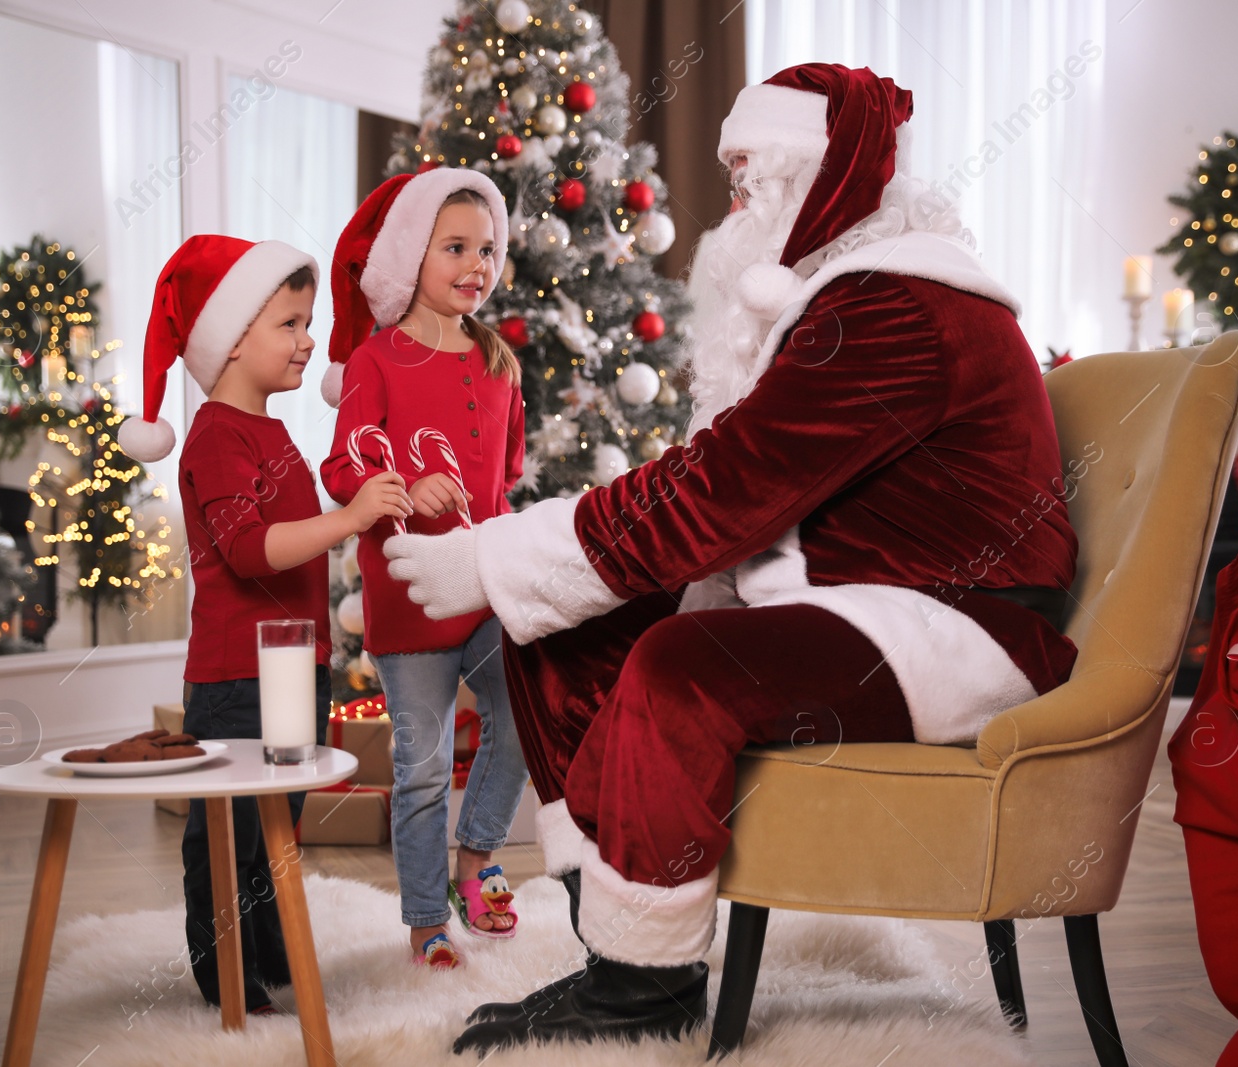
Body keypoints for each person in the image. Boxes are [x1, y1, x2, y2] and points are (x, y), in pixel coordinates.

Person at [382, 63, 1082, 1052]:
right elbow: (724, 480)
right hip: (856, 600)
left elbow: (721, 491)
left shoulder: (896, 308)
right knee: (560, 631)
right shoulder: (844, 302)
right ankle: (621, 949)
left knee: (681, 670)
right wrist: (518, 574)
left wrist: (489, 555)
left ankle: (642, 994)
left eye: (756, 179)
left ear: (824, 180)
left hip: (955, 623)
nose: (738, 205)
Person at [117, 234, 411, 1014]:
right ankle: (223, 972)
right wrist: (346, 517)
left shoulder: (276, 433)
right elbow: (250, 551)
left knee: (279, 821)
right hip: (235, 673)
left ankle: (269, 947)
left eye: (309, 321)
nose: (309, 339)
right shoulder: (217, 435)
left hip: (293, 662)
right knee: (228, 830)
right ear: (233, 337)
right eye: (289, 323)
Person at [319, 168, 531, 970]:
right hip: (408, 598)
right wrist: (404, 487)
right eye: (455, 247)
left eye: (486, 249)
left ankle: (477, 859)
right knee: (421, 767)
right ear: (412, 255)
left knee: (525, 712)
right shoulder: (376, 361)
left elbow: (504, 481)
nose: (476, 264)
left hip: (483, 587)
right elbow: (342, 469)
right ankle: (424, 922)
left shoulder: (499, 364)